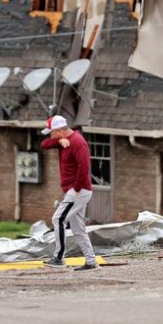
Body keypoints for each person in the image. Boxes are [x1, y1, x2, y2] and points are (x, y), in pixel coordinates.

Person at [40, 115, 98, 271]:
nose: (50, 136)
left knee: (58, 219)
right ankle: (91, 261)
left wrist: (77, 189)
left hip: (78, 191)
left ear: (58, 130)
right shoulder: (63, 141)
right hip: (76, 191)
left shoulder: (78, 142)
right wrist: (58, 141)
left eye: (51, 133)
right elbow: (44, 144)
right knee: (78, 228)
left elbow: (84, 166)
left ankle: (59, 258)